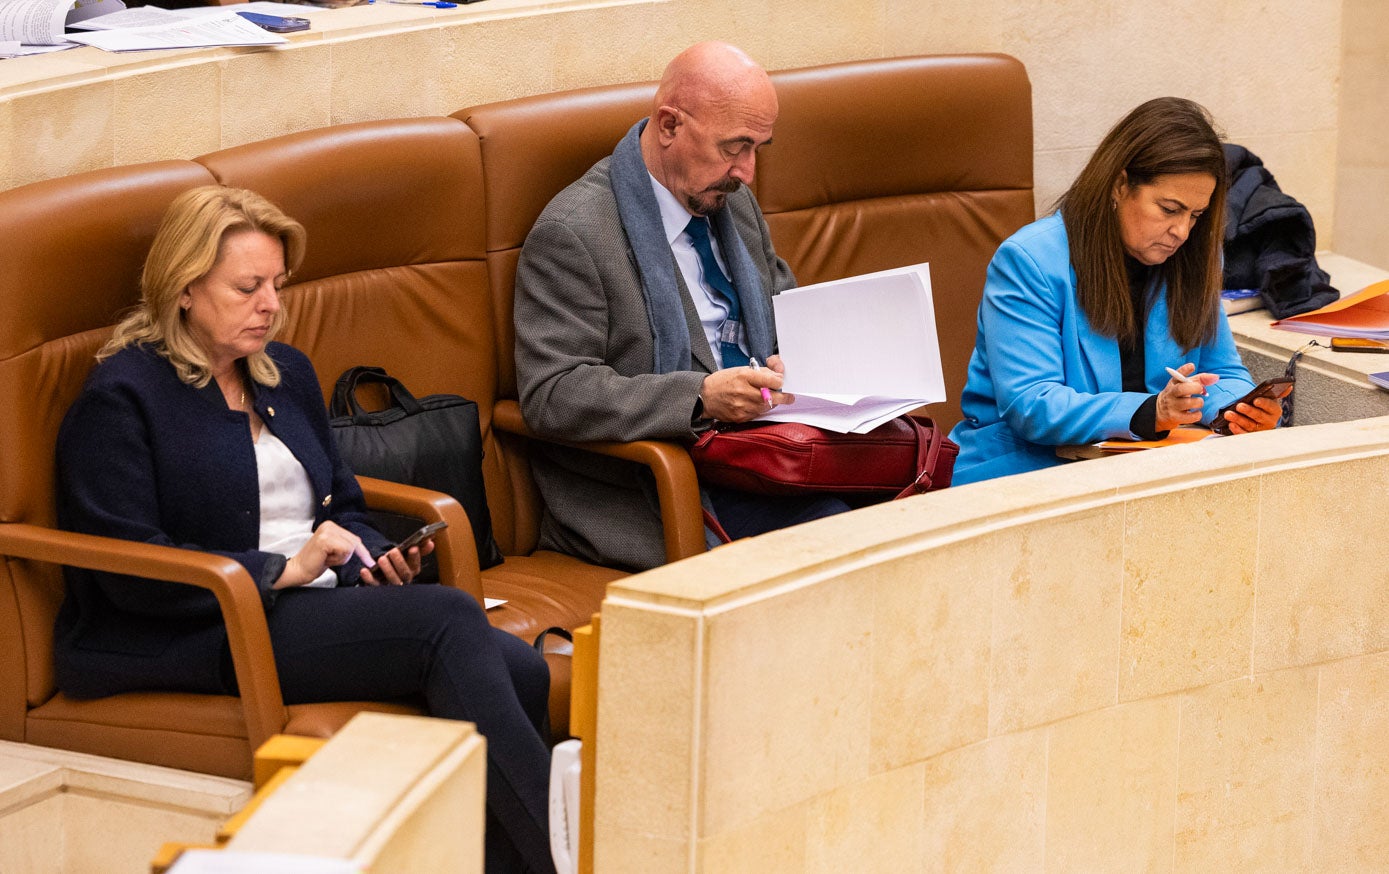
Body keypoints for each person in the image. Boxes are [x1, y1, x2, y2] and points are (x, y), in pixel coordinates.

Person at [54, 186, 556, 874]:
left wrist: (370, 556)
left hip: (311, 600)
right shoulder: (125, 396)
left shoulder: (282, 372)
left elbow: (341, 504)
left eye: (278, 285)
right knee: (446, 620)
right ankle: (566, 864)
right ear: (183, 288)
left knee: (524, 668)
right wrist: (280, 571)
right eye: (247, 287)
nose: (270, 305)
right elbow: (127, 568)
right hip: (201, 622)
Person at [514, 41, 849, 571]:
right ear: (669, 126)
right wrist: (698, 397)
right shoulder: (574, 232)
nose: (748, 172)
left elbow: (787, 313)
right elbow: (553, 392)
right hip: (661, 483)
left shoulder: (730, 202)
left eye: (759, 147)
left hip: (769, 454)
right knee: (838, 536)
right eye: (734, 147)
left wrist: (802, 363)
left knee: (902, 517)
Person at [948, 97, 1284, 485]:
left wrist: (1237, 409)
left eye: (1196, 215)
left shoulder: (1194, 259)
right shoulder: (1030, 260)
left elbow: (1223, 372)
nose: (1183, 232)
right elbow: (1031, 405)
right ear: (1120, 186)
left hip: (1149, 464)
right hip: (1027, 468)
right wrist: (1150, 411)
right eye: (1170, 209)